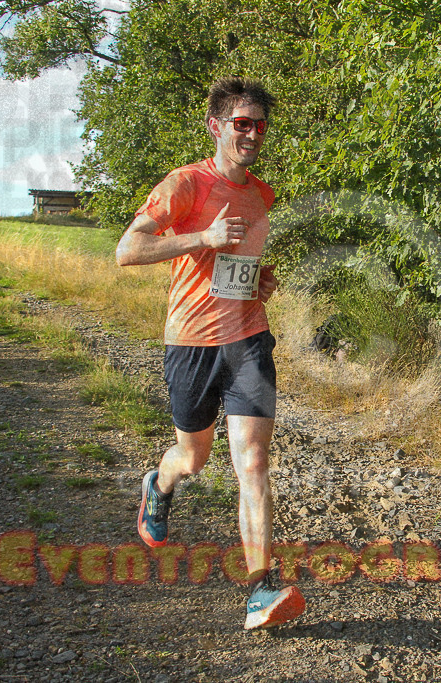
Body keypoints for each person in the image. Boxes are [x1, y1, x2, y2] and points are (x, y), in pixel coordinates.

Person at [116, 77, 305, 630]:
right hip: (191, 344)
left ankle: (260, 590)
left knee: (252, 460)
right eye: (240, 123)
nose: (251, 133)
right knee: (193, 459)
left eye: (259, 125)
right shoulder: (184, 185)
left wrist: (260, 279)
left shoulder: (263, 194)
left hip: (247, 339)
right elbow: (128, 250)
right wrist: (201, 238)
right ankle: (160, 482)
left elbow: (240, 264)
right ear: (216, 126)